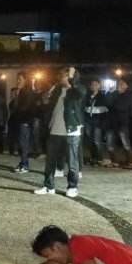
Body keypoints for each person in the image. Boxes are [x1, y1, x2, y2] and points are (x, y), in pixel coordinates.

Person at [34, 67, 85, 198]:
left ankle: (72, 187)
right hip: (55, 130)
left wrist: (73, 79)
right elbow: (50, 109)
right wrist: (45, 102)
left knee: (72, 162)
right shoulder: (58, 90)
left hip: (71, 131)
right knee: (50, 161)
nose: (59, 77)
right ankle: (48, 186)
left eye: (62, 75)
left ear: (70, 76)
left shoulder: (76, 91)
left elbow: (80, 93)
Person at [10, 72, 37, 173]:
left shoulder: (28, 92)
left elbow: (24, 107)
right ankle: (22, 163)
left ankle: (25, 165)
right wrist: (16, 94)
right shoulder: (19, 91)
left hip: (24, 120)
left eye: (20, 79)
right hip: (18, 120)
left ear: (25, 80)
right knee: (21, 143)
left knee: (24, 144)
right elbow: (12, 106)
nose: (18, 81)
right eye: (17, 79)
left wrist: (16, 106)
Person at [105, 78, 132, 168]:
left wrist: (112, 104)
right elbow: (107, 103)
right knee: (109, 144)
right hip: (111, 123)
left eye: (122, 84)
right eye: (118, 84)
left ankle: (131, 162)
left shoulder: (128, 96)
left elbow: (120, 107)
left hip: (122, 123)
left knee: (125, 144)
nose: (119, 86)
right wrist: (110, 93)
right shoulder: (114, 94)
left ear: (126, 86)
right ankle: (114, 161)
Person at [82, 79, 109, 166]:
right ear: (90, 86)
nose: (94, 86)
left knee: (97, 141)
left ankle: (99, 159)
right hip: (88, 121)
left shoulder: (102, 97)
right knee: (90, 141)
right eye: (92, 84)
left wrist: (103, 122)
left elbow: (105, 110)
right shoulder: (87, 96)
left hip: (98, 122)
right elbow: (84, 108)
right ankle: (93, 158)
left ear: (99, 86)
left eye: (96, 84)